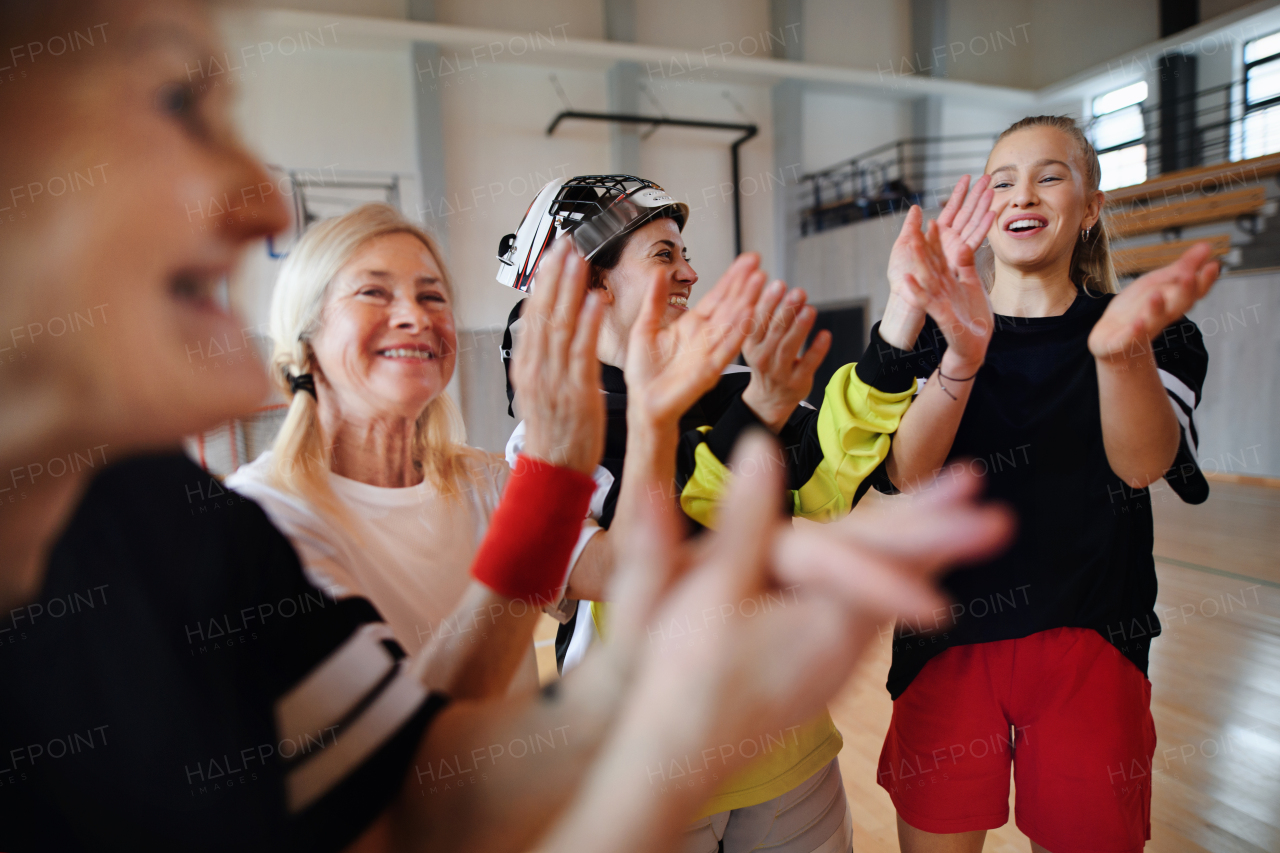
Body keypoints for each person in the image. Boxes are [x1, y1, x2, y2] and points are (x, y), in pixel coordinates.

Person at [0, 3, 1013, 852]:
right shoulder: (294, 510)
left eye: (434, 293)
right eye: (177, 99)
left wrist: (873, 363)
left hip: (774, 764)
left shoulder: (171, 528)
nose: (264, 202)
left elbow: (413, 783)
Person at [494, 175, 945, 852]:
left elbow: (829, 477)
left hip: (786, 754)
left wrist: (903, 315)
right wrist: (757, 413)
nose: (690, 271)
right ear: (592, 281)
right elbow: (649, 553)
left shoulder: (733, 382)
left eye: (685, 253)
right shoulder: (548, 437)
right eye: (663, 254)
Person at [866, 116, 1216, 853]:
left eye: (1050, 174)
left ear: (1090, 206)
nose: (1023, 194)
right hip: (946, 639)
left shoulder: (1154, 333)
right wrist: (959, 356)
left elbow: (1141, 463)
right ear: (985, 210)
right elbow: (905, 472)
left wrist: (1119, 356)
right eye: (1002, 181)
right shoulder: (928, 331)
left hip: (1094, 638)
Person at [225, 202, 540, 697]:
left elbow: (621, 569)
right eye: (374, 292)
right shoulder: (263, 517)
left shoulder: (490, 483)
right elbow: (407, 732)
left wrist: (652, 414)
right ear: (306, 337)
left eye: (432, 296)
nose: (416, 317)